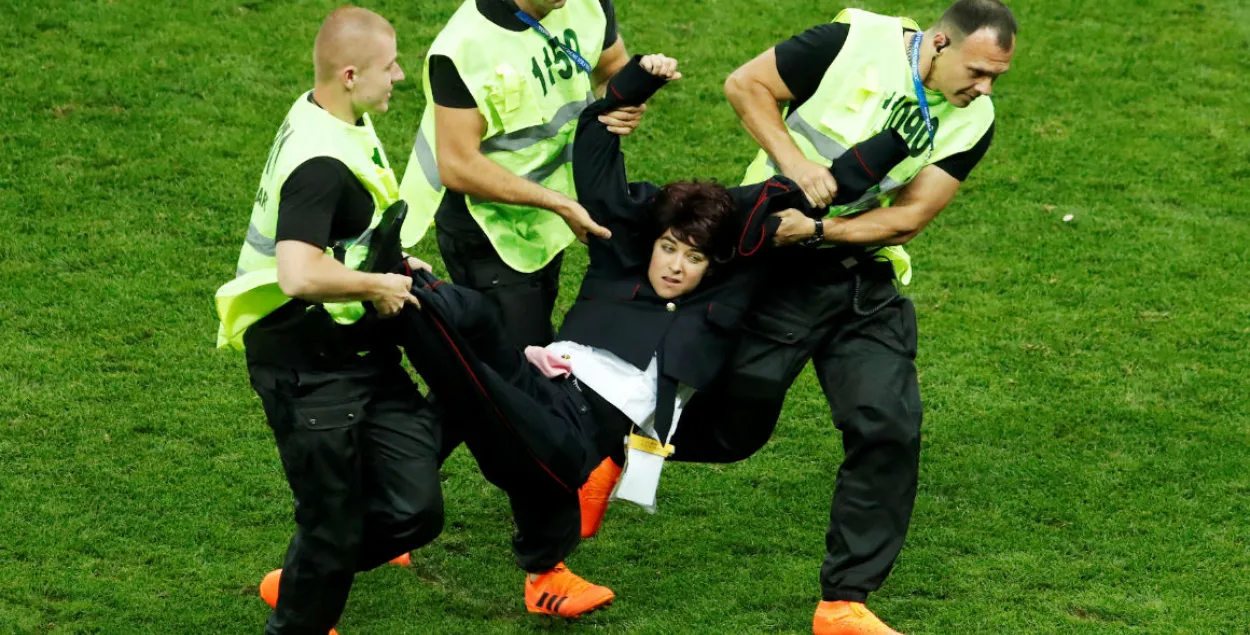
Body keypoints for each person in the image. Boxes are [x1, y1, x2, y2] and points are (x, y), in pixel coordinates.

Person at [580, 2, 1017, 634]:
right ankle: (611, 450)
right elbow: (745, 84)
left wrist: (820, 229)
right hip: (773, 264)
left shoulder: (974, 119)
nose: (984, 89)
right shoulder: (852, 41)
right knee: (734, 433)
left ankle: (844, 602)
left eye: (996, 77)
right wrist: (797, 165)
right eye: (977, 72)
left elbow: (910, 217)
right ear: (940, 43)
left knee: (888, 425)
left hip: (860, 280)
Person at [212, 8, 441, 634]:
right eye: (389, 65)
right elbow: (297, 273)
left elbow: (346, 231)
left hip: (352, 350)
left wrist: (388, 261)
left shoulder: (335, 116)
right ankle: (309, 591)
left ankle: (309, 572)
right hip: (304, 366)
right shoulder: (319, 161)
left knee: (416, 510)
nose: (399, 75)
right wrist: (378, 284)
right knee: (332, 528)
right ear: (349, 75)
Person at [398, 0, 645, 348]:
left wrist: (620, 103)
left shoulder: (586, 4)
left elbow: (611, 68)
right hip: (488, 229)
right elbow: (457, 165)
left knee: (526, 348)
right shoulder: (463, 48)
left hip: (546, 216)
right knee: (515, 361)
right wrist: (560, 204)